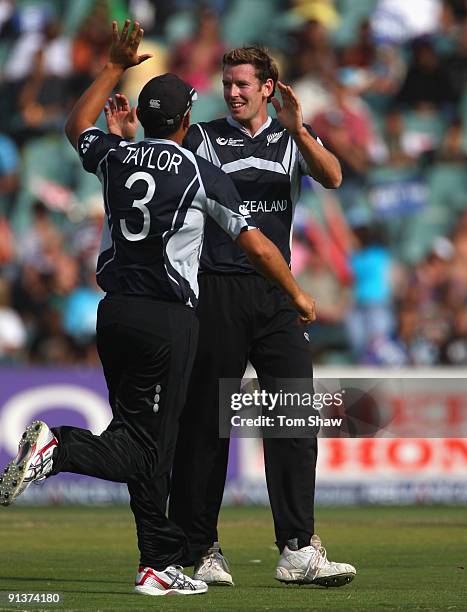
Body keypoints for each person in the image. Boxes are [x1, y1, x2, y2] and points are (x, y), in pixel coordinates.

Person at [0, 22, 316, 597]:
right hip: (166, 319)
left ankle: (157, 564)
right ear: (186, 121)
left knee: (148, 441)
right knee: (146, 446)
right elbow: (258, 243)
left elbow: (76, 126)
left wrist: (111, 66)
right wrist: (296, 293)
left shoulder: (115, 155)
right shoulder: (199, 169)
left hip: (112, 313)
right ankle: (58, 447)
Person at [165, 46, 355, 587]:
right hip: (216, 290)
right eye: (228, 84)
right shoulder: (201, 137)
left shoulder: (292, 134)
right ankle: (200, 549)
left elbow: (335, 177)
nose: (233, 92)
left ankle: (297, 548)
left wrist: (298, 131)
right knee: (206, 426)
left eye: (244, 84)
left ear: (268, 88)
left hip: (277, 295)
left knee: (294, 417)